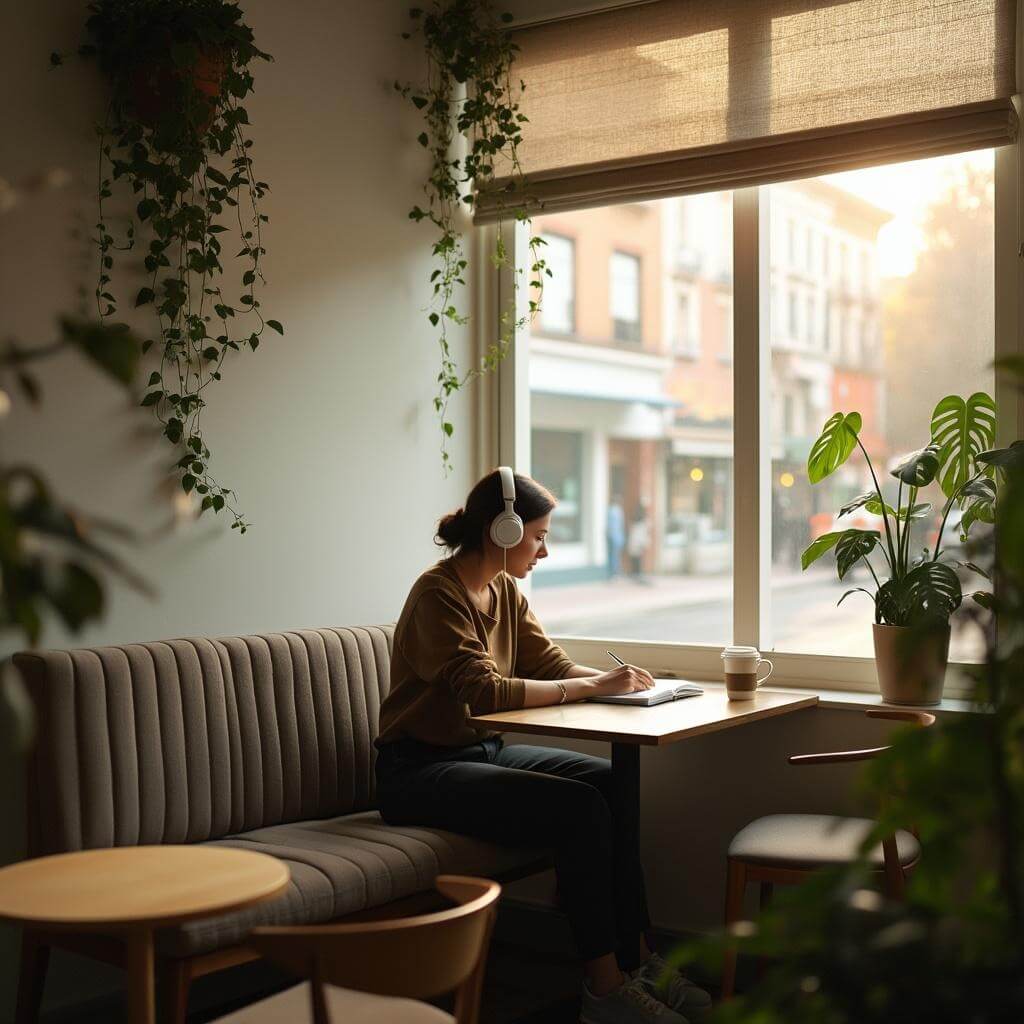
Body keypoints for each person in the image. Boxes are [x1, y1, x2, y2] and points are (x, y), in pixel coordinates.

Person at [375, 468, 712, 1024]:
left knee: (609, 781)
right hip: (415, 774)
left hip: (477, 754)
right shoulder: (437, 595)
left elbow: (549, 664)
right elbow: (482, 691)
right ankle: (602, 991)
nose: (544, 552)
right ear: (501, 532)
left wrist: (620, 687)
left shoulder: (504, 590)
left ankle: (639, 959)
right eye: (539, 536)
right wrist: (591, 686)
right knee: (577, 808)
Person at [627, 500, 651, 582]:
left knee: (634, 558)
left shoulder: (634, 518)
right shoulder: (644, 519)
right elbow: (647, 529)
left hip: (634, 539)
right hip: (639, 540)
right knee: (639, 558)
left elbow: (631, 529)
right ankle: (638, 574)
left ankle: (635, 573)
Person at [607, 494, 626, 579]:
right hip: (617, 535)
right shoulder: (617, 511)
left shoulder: (611, 510)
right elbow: (621, 524)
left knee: (613, 554)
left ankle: (614, 572)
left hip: (613, 535)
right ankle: (615, 572)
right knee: (615, 555)